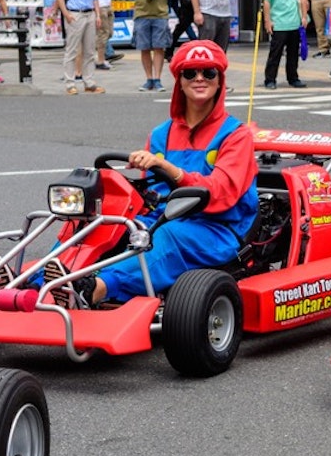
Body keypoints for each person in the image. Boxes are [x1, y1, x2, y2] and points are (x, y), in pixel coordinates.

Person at [75, 40, 259, 306]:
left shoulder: (235, 135)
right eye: (190, 73)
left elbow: (220, 193)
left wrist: (168, 169)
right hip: (162, 217)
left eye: (209, 73)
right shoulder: (161, 134)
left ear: (220, 81)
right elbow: (152, 194)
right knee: (102, 224)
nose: (199, 79)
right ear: (179, 81)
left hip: (219, 228)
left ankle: (99, 287)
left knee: (168, 235)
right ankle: (35, 280)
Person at [54, 0, 105, 95]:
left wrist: (97, 14)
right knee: (72, 50)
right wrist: (66, 14)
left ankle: (89, 82)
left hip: (89, 12)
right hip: (74, 13)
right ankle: (70, 83)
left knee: (90, 50)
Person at [261, 0, 309, 90]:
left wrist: (304, 16)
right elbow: (267, 1)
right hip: (279, 22)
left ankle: (293, 78)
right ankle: (270, 79)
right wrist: (267, 21)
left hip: (294, 21)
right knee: (275, 53)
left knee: (293, 53)